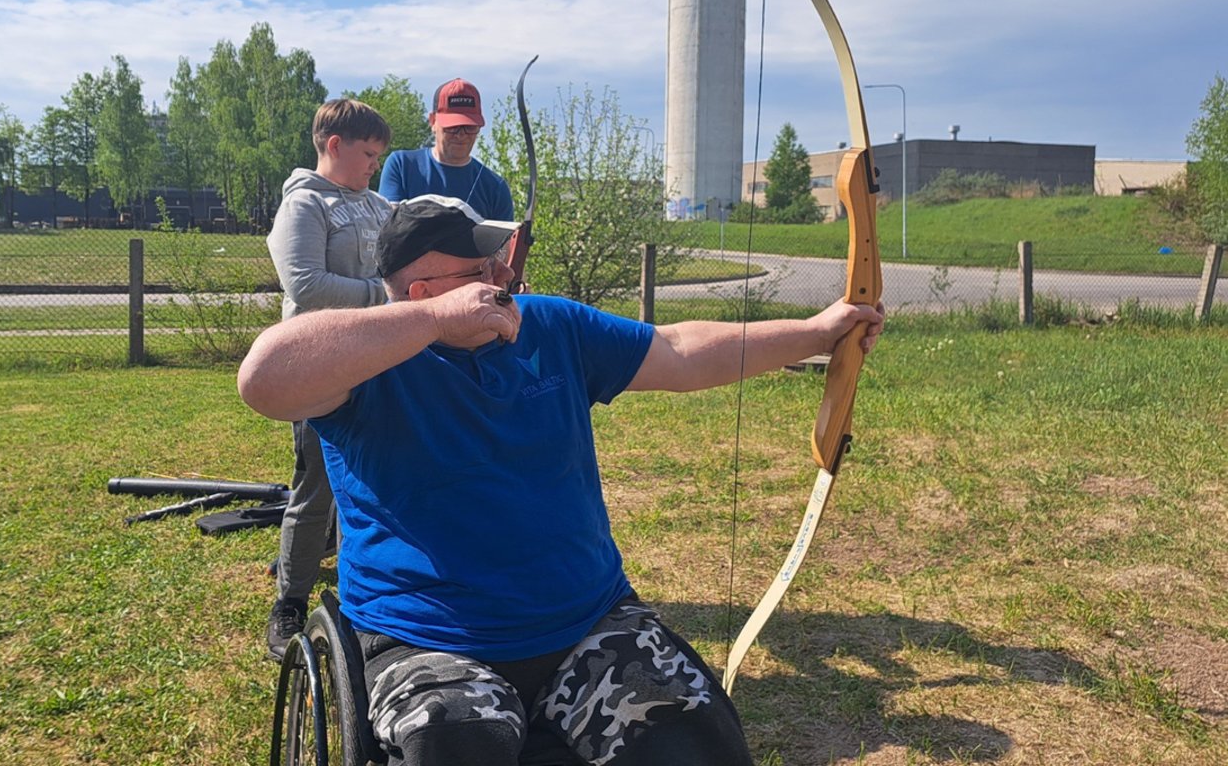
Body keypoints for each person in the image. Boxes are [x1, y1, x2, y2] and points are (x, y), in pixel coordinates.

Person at [238, 195, 884, 766]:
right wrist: (433, 326)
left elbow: (680, 350)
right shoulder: (365, 360)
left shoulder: (548, 325)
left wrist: (816, 333)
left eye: (499, 265)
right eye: (480, 272)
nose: (503, 278)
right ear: (422, 291)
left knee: (694, 733)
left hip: (586, 622)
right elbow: (263, 379)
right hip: (424, 636)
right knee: (453, 739)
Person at [263, 98, 394, 659]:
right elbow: (306, 285)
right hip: (317, 361)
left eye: (380, 157)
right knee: (316, 484)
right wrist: (381, 297)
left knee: (375, 481)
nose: (374, 166)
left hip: (376, 359)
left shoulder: (377, 204)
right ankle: (289, 601)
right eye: (367, 154)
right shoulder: (305, 205)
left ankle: (366, 590)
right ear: (333, 146)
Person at [378, 77, 513, 220]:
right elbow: (389, 229)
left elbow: (505, 241)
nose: (461, 135)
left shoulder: (495, 187)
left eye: (469, 127)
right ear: (432, 121)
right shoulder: (402, 165)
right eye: (452, 127)